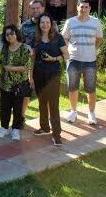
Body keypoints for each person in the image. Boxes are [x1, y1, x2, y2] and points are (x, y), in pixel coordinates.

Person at [61, 0, 103, 125]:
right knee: (73, 88)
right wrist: (67, 53)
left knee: (91, 88)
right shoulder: (70, 22)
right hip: (73, 60)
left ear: (90, 8)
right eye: (81, 7)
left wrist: (93, 50)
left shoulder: (96, 22)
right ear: (77, 7)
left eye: (86, 7)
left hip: (90, 61)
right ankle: (73, 112)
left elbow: (99, 39)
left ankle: (91, 113)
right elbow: (65, 38)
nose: (83, 9)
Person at [31, 14, 69, 146]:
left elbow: (66, 55)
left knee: (53, 105)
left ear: (51, 24)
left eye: (47, 22)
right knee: (42, 102)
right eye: (42, 22)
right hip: (39, 75)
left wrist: (54, 59)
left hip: (53, 76)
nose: (45, 25)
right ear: (39, 24)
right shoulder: (35, 38)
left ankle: (56, 134)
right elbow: (32, 58)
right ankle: (44, 127)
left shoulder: (58, 37)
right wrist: (30, 76)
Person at [0, 25, 33, 141]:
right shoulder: (4, 48)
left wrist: (9, 68)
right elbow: (1, 64)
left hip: (19, 84)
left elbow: (26, 67)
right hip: (5, 83)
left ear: (16, 33)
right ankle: (4, 127)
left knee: (18, 108)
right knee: (5, 107)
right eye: (7, 34)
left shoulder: (24, 48)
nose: (10, 36)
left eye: (12, 33)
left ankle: (16, 129)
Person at [20, 0, 47, 113]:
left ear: (43, 8)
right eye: (33, 8)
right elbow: (19, 43)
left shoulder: (49, 23)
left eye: (38, 8)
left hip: (45, 63)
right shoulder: (25, 25)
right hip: (28, 63)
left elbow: (56, 42)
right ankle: (21, 117)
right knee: (26, 93)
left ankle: (47, 119)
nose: (36, 10)